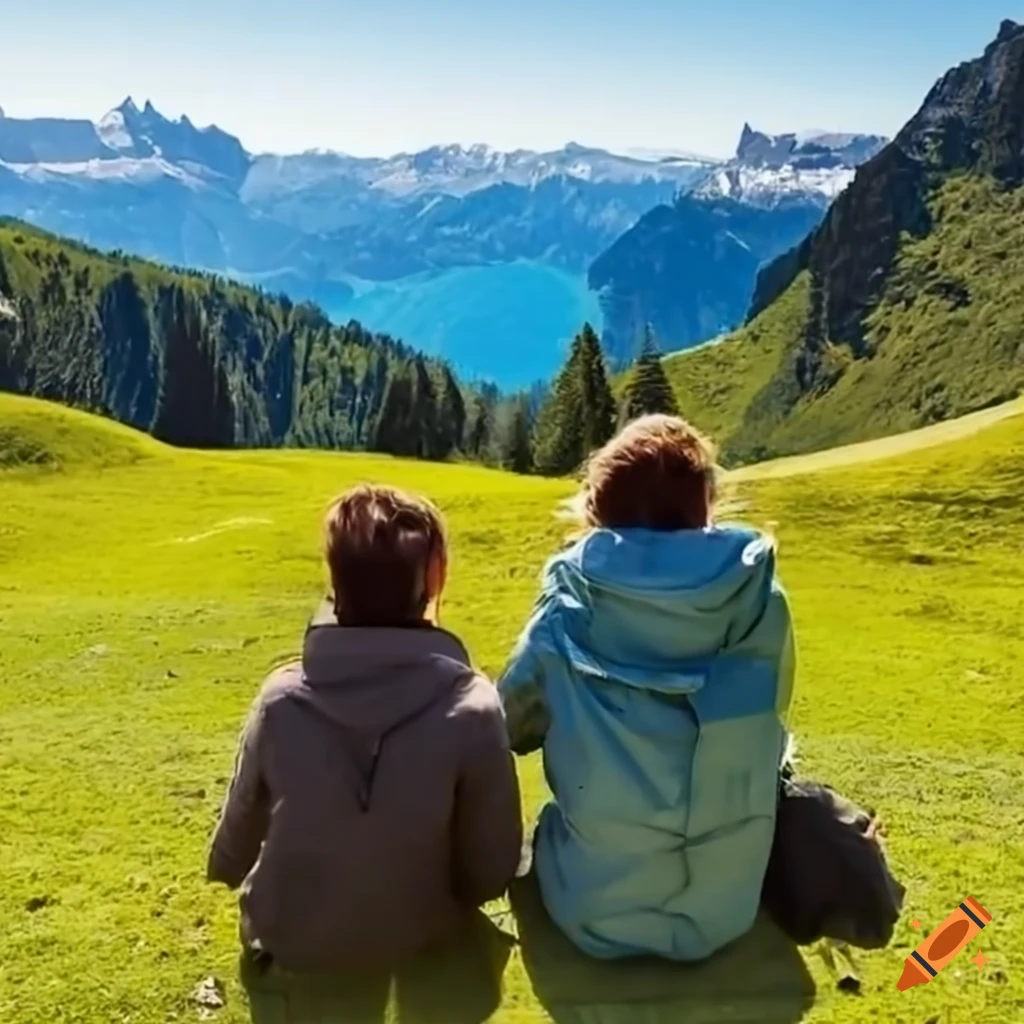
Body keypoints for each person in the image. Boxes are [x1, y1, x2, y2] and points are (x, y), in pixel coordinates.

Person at [207, 484, 523, 1019]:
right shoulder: (474, 706)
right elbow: (492, 866)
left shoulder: (281, 698)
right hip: (422, 956)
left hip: (293, 956)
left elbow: (242, 820)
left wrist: (227, 864)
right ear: (435, 577)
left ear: (334, 582)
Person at [498, 414, 794, 962]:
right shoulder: (759, 599)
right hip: (725, 912)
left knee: (545, 830)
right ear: (704, 501)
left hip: (591, 910)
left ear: (599, 503)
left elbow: (509, 726)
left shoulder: (568, 601)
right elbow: (769, 719)